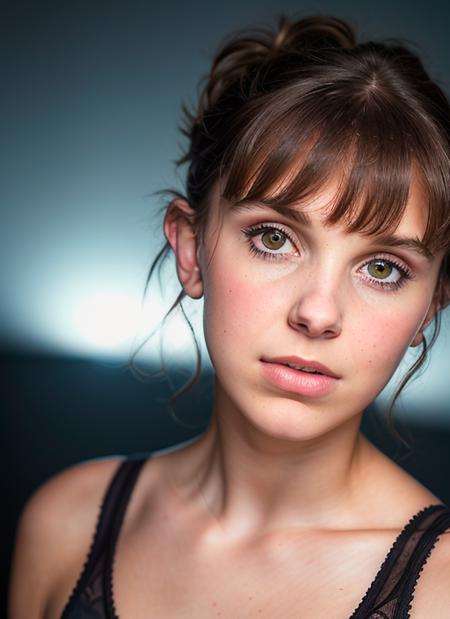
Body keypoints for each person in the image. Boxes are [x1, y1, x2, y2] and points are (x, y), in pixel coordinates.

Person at [8, 13, 450, 619]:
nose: (318, 313)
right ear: (191, 250)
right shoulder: (65, 525)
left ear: (431, 304)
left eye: (382, 269)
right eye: (273, 238)